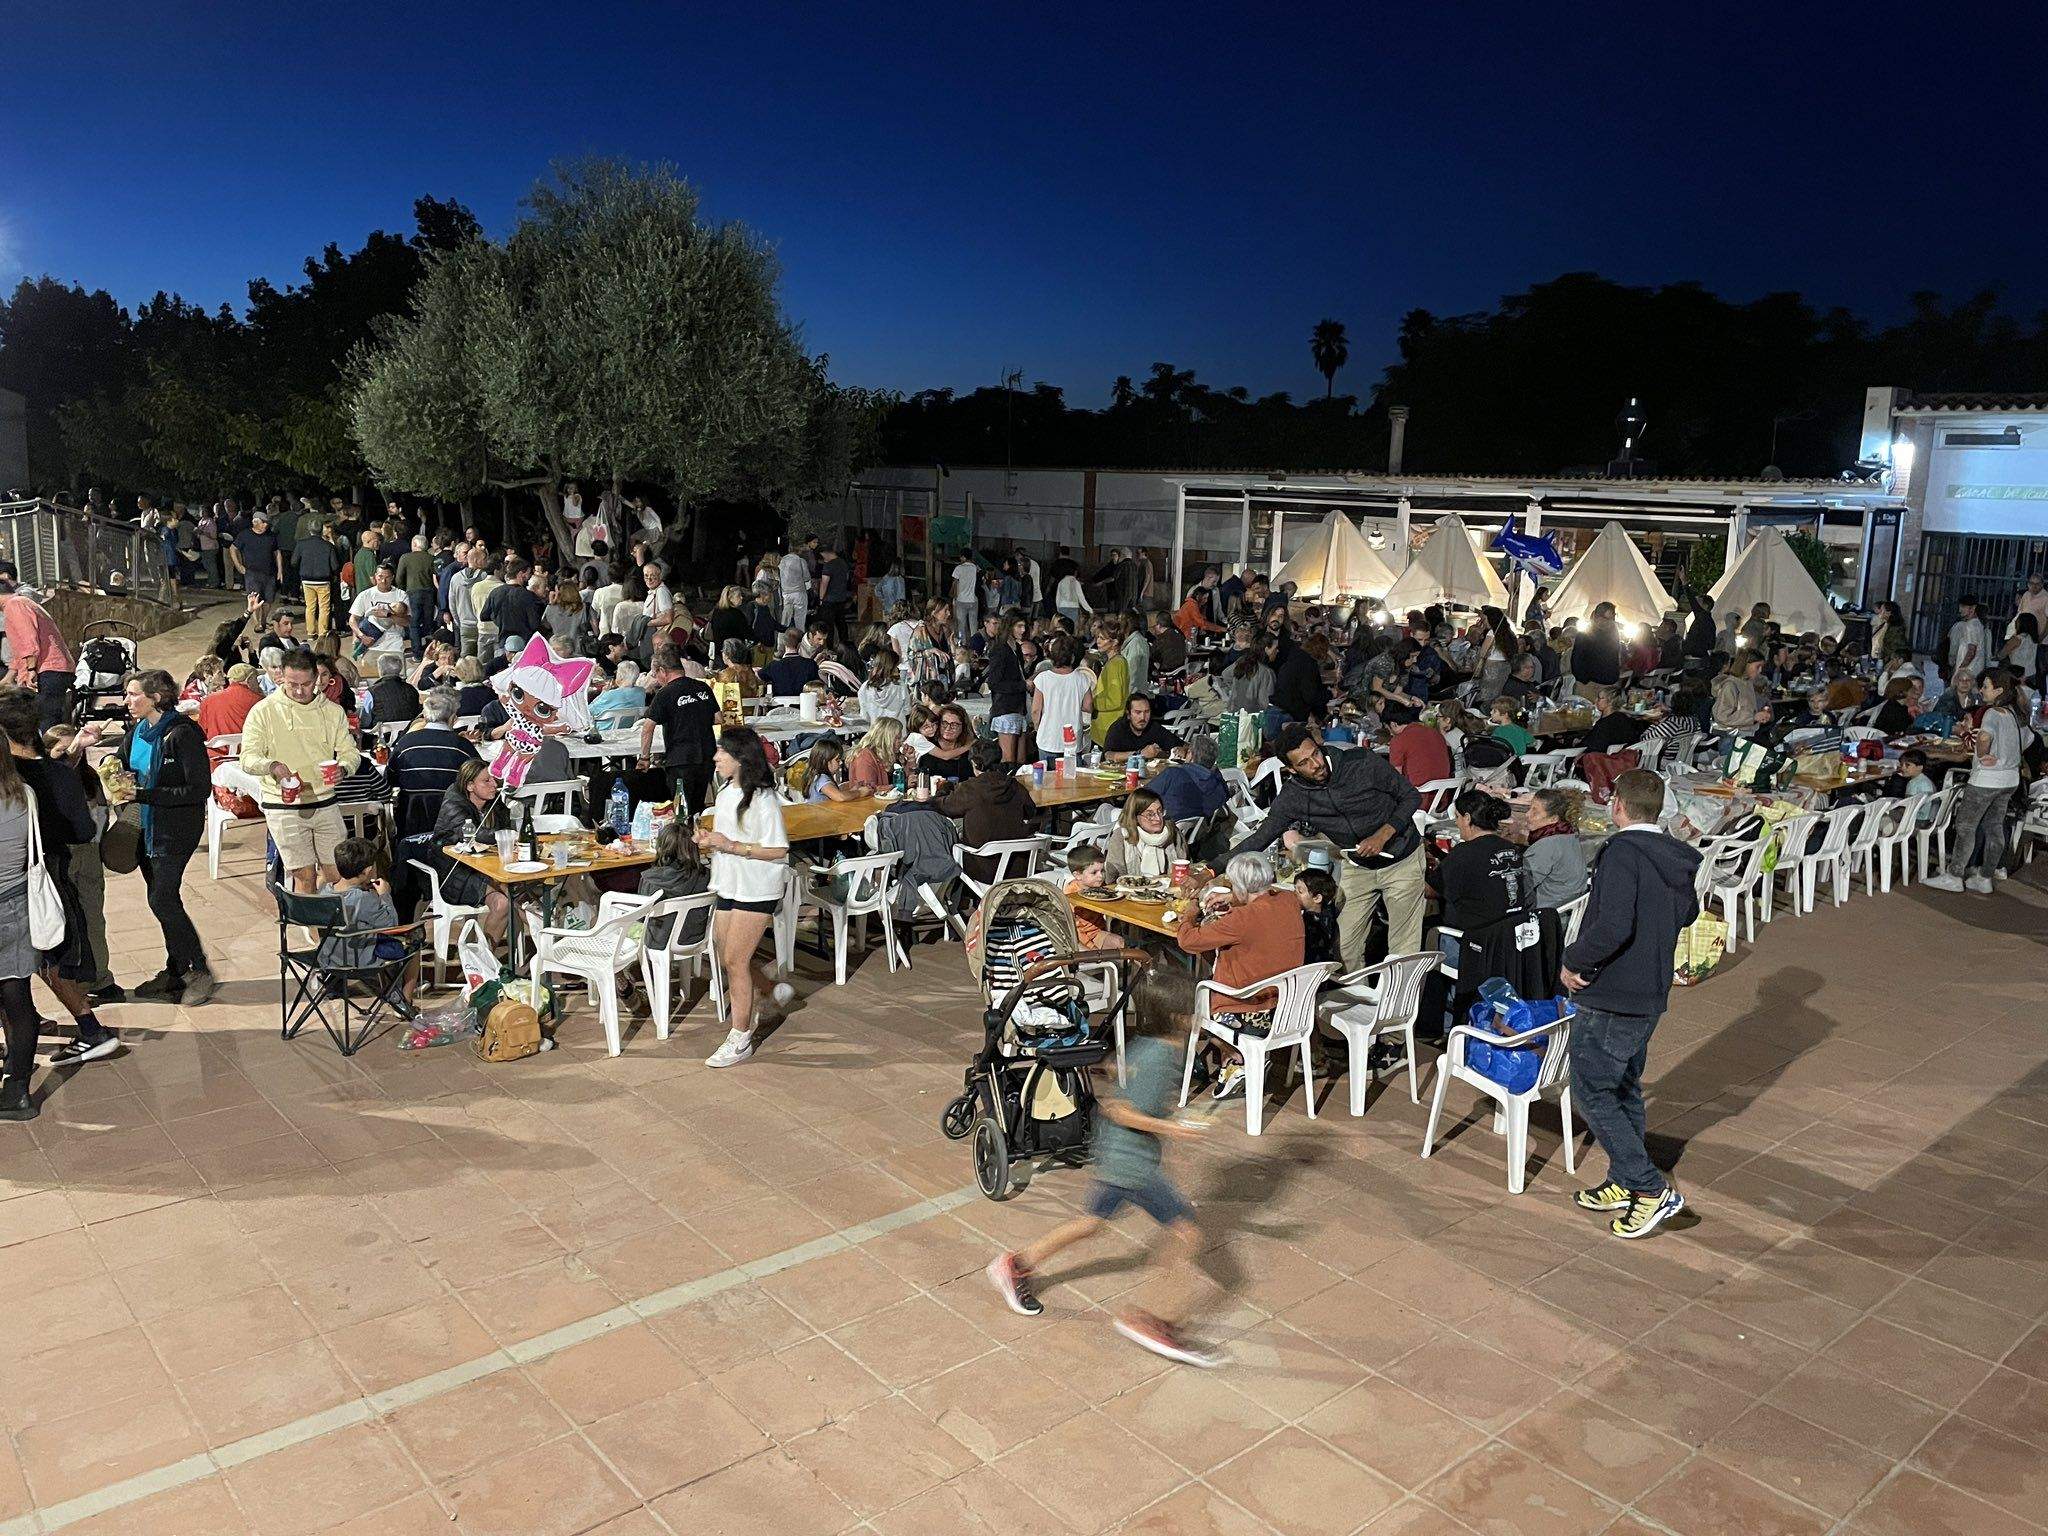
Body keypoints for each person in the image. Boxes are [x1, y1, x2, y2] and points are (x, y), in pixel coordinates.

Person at [985, 964, 1223, 1367]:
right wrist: (1173, 1129)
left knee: (1091, 1223)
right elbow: (1122, 1110)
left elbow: (1120, 1080)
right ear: (1181, 1018)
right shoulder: (1164, 1056)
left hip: (1119, 1157)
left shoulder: (1150, 1047)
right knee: (1189, 1237)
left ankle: (1015, 1264)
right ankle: (1150, 1322)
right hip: (1133, 1165)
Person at [1560, 768, 1700, 1238]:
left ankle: (1648, 1188)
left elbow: (1613, 925)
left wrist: (1574, 961)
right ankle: (1624, 1178)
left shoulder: (1622, 852)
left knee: (1591, 1090)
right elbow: (1687, 913)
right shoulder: (1674, 855)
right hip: (1649, 991)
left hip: (1612, 993)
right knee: (1623, 1087)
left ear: (1617, 804)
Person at [1231, 723, 1425, 966]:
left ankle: (1401, 1003)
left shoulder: (1361, 762)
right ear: (1291, 769)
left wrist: (1382, 835)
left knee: (1403, 952)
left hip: (1401, 858)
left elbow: (1411, 796)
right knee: (1344, 949)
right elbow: (1261, 837)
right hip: (1358, 864)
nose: (1316, 764)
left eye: (1315, 754)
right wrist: (1211, 870)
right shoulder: (1294, 796)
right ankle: (1360, 1001)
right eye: (1304, 763)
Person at [0, 691, 114, 1065]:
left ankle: (24, 1041)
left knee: (16, 968)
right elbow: (82, 830)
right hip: (55, 874)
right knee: (50, 958)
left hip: (21, 882)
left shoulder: (10, 780)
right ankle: (84, 1028)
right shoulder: (59, 773)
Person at [111, 669, 217, 1004]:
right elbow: (122, 761)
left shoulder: (181, 735)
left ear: (156, 697)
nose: (127, 701)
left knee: (162, 899)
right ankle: (175, 970)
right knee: (164, 902)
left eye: (133, 695)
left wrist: (145, 794)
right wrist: (113, 771)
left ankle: (199, 971)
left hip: (174, 831)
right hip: (144, 828)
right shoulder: (138, 729)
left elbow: (199, 788)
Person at [1177, 849, 1305, 1101]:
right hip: (1289, 1008)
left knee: (1186, 1018)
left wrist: (1189, 915)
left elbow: (1187, 941)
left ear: (1242, 887)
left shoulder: (1241, 920)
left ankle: (1238, 1058)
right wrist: (1232, 902)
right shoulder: (1289, 901)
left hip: (1250, 1011)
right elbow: (1264, 908)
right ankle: (1233, 1065)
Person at [700, 727, 793, 1067]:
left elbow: (779, 848)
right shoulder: (726, 792)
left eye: (721, 752)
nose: (716, 757)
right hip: (728, 882)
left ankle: (740, 1038)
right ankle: (768, 992)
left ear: (740, 758)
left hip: (757, 886)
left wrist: (731, 846)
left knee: (736, 961)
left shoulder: (764, 799)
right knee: (729, 956)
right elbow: (729, 837)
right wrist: (711, 840)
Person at [239, 650, 360, 894]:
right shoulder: (263, 711)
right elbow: (248, 758)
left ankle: (326, 920)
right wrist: (271, 766)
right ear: (281, 677)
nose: (299, 691)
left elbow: (350, 752)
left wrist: (344, 768)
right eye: (292, 684)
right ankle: (313, 928)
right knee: (303, 874)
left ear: (317, 678)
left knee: (337, 872)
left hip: (325, 800)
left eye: (305, 684)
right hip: (283, 805)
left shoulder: (332, 711)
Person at [1925, 671, 2024, 894]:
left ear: (1998, 691)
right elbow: (2024, 741)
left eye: (1986, 686)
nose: (1981, 690)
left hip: (1986, 779)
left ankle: (1954, 875)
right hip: (2009, 779)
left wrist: (1984, 753)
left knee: (1965, 826)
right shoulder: (2013, 714)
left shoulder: (1990, 713)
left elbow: (1984, 737)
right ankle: (1985, 876)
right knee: (1994, 826)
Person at [317, 838, 420, 1016]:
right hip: (358, 961)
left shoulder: (324, 892)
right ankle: (403, 1001)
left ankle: (333, 985)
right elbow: (391, 925)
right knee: (414, 944)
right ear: (367, 871)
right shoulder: (363, 899)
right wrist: (384, 895)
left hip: (328, 958)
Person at [1432, 789, 1525, 981]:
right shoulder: (1511, 849)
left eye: (1457, 817)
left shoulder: (1463, 853)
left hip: (1471, 942)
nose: (1457, 823)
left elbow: (1432, 890)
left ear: (1467, 818)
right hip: (1508, 940)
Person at [934, 738, 1040, 881]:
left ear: (973, 763)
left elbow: (944, 807)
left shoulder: (971, 788)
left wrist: (943, 790)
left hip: (983, 870)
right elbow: (1031, 811)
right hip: (1018, 868)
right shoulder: (1013, 785)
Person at [637, 646, 719, 816]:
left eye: (655, 674)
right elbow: (718, 718)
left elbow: (647, 728)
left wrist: (644, 758)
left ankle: (683, 839)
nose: (656, 678)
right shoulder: (703, 688)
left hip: (680, 759)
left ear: (662, 671)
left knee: (681, 810)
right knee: (697, 807)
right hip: (706, 756)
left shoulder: (664, 694)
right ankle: (695, 837)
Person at [388, 687, 478, 838]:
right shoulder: (463, 747)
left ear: (424, 716)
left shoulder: (404, 744)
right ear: (453, 719)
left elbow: (390, 779)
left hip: (410, 821)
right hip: (454, 821)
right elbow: (480, 779)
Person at [1523, 786, 1590, 909]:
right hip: (1567, 906)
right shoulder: (1569, 834)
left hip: (1546, 910)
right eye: (1529, 808)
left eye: (1535, 812)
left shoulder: (1547, 846)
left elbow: (1520, 887)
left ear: (1553, 819)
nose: (1527, 814)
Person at [1030, 635, 1093, 763]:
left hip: (1048, 738)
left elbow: (1036, 711)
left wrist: (1037, 728)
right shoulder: (1083, 679)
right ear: (1072, 657)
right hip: (1073, 741)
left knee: (1048, 780)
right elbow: (1088, 706)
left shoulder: (1042, 678)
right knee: (1073, 780)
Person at [1103, 788, 1185, 881]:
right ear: (1135, 816)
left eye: (1160, 811)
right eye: (1150, 814)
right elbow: (1112, 875)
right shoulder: (1121, 836)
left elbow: (1186, 864)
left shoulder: (1172, 832)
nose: (1157, 818)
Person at [1151, 733, 1229, 825]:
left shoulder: (1173, 774)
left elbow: (1141, 796)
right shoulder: (1217, 779)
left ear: (1190, 755)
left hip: (1167, 828)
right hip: (1197, 830)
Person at [985, 610, 1029, 763]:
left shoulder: (1015, 648)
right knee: (1008, 760)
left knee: (1021, 760)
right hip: (1005, 708)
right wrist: (1023, 685)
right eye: (1019, 626)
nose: (1023, 630)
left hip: (1018, 708)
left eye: (1024, 626)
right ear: (1009, 626)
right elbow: (994, 683)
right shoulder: (1000, 649)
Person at [1064, 845, 1119, 950]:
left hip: (1101, 929)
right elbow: (1074, 928)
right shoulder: (1072, 896)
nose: (1101, 876)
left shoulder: (1098, 887)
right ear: (1078, 875)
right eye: (1094, 872)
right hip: (1087, 937)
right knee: (1119, 943)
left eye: (1102, 871)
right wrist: (1091, 947)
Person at [1101, 693, 1180, 760]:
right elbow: (1108, 755)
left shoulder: (1153, 727)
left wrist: (1181, 750)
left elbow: (1179, 744)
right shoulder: (1119, 728)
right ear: (1128, 714)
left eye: (1147, 712)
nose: (1143, 717)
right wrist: (1139, 754)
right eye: (1138, 712)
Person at [1389, 713, 1452, 789]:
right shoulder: (1437, 734)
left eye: (1389, 729)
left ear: (1393, 724)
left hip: (1417, 794)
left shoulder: (1398, 740)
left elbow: (1396, 778)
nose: (1390, 733)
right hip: (1443, 792)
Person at [1710, 653, 1771, 733]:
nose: (1760, 670)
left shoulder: (1747, 683)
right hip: (1732, 735)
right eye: (1757, 666)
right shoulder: (1730, 685)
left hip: (1745, 732)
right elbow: (1722, 716)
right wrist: (1752, 717)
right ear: (1746, 665)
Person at [847, 717, 905, 794]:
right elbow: (868, 789)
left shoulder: (888, 753)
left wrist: (910, 760)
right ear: (886, 739)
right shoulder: (864, 757)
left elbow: (904, 779)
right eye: (897, 738)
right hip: (868, 803)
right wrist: (897, 786)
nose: (901, 742)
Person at [1579, 689, 1646, 755]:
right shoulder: (1622, 718)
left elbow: (1595, 747)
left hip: (1599, 759)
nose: (1595, 701)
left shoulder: (1604, 724)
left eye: (1599, 699)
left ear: (1610, 702)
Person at [367, 652, 420, 727]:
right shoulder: (411, 689)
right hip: (408, 731)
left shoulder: (372, 691)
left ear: (381, 669)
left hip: (382, 733)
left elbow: (366, 719)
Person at [858, 649, 909, 724]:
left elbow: (864, 715)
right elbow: (907, 710)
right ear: (893, 666)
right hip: (897, 731)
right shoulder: (900, 686)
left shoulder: (865, 687)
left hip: (877, 731)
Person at [760, 632, 819, 698]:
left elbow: (759, 676)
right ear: (799, 645)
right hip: (804, 706)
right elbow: (817, 686)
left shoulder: (773, 666)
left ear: (785, 645)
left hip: (778, 707)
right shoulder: (810, 664)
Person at [1946, 596, 1990, 679]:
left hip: (1968, 671)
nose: (1960, 610)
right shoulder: (1976, 624)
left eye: (1963, 607)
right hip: (1973, 669)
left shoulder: (1971, 626)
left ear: (1973, 608)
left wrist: (1960, 670)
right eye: (1960, 606)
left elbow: (1971, 651)